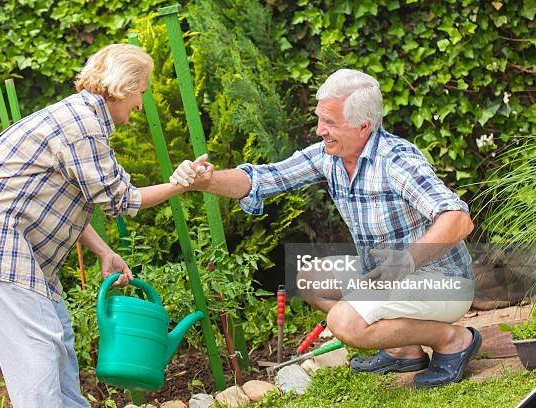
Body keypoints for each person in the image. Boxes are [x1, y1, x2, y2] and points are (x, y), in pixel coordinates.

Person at [170, 68, 481, 388]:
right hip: (383, 274)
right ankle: (405, 349)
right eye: (320, 119)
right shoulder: (330, 156)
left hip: (441, 281)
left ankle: (452, 339)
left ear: (364, 126)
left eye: (330, 123)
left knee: (345, 323)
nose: (320, 130)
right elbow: (263, 178)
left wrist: (406, 261)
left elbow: (457, 217)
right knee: (309, 277)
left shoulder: (395, 160)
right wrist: (207, 180)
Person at [0, 44, 192, 407]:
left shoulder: (84, 120)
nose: (141, 102)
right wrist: (183, 185)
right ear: (123, 86)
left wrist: (104, 251)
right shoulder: (83, 125)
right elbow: (122, 200)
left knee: (58, 338)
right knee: (38, 348)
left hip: (15, 238)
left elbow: (67, 200)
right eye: (142, 90)